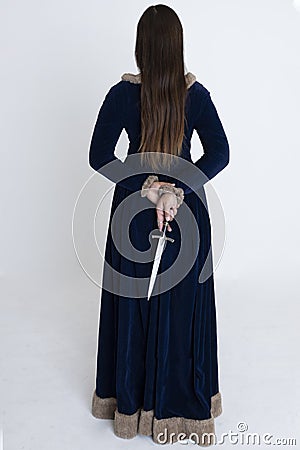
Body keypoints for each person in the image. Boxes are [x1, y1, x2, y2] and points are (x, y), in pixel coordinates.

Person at [88, 4, 230, 446]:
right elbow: (220, 154)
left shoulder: (122, 95)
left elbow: (100, 157)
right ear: (178, 46)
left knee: (131, 309)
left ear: (141, 47)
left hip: (131, 214)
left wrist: (147, 189)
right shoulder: (196, 95)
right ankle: (179, 406)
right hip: (187, 216)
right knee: (183, 311)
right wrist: (176, 189)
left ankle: (129, 407)